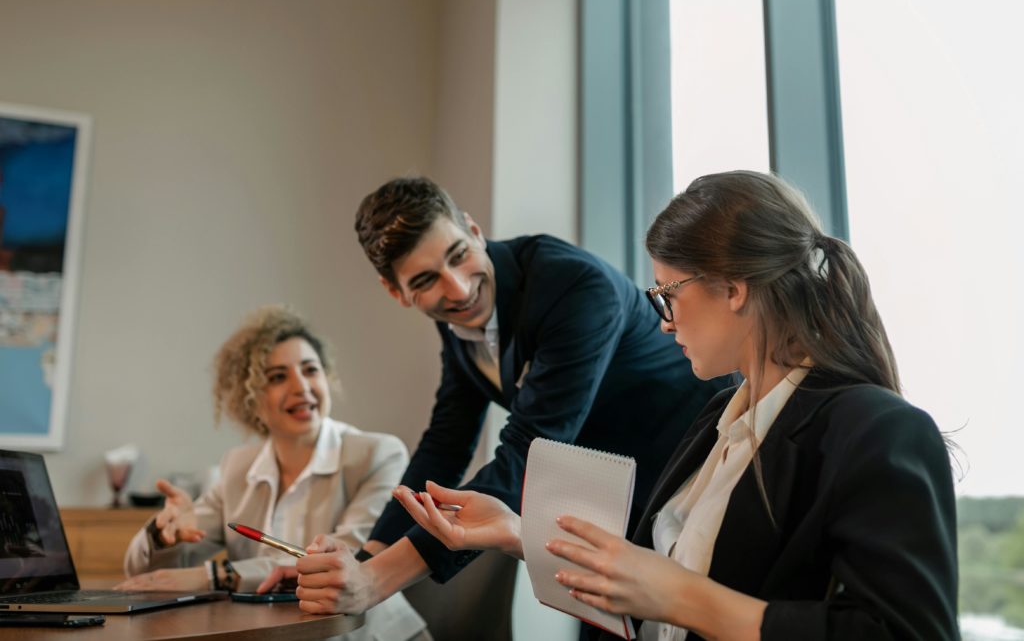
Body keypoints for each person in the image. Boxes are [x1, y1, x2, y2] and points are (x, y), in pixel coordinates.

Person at [391, 171, 959, 640]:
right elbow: (637, 583)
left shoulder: (879, 430)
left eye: (668, 294)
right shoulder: (713, 420)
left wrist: (685, 598)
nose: (663, 323)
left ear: (733, 289)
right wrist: (516, 532)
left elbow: (906, 633)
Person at [257, 177, 729, 621]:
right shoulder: (459, 319)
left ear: (475, 230)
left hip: (701, 480)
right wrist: (354, 566)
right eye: (424, 281)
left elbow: (529, 452)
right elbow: (444, 445)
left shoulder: (574, 287)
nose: (458, 289)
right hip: (613, 509)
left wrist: (375, 582)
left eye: (459, 255)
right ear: (395, 291)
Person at [117, 306, 427, 641]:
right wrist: (163, 538)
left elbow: (350, 560)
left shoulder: (377, 454)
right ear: (250, 399)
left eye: (310, 370)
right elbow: (145, 574)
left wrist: (217, 576)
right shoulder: (238, 467)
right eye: (277, 377)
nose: (301, 387)